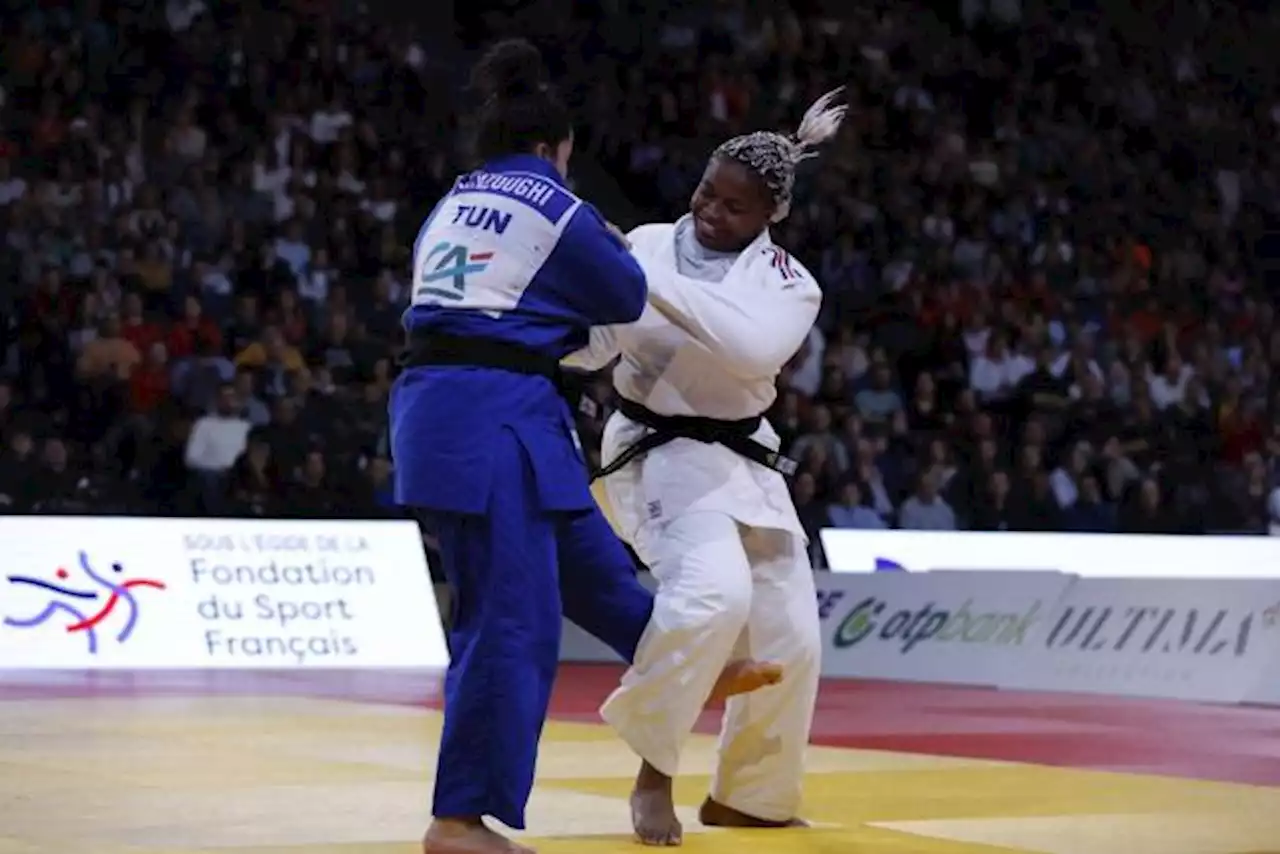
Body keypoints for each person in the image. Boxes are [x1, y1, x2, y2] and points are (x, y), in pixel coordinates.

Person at [392, 40, 777, 854]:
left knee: (589, 564)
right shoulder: (553, 202)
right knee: (511, 623)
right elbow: (626, 292)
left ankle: (685, 661)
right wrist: (604, 232)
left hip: (478, 409)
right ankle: (458, 819)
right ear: (551, 148)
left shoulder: (454, 198)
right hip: (489, 412)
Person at [580, 89, 847, 845]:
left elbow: (749, 351)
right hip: (654, 449)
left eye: (734, 206)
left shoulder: (790, 285)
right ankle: (653, 775)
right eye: (705, 192)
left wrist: (636, 275)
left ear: (772, 216)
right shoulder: (647, 243)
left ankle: (750, 797)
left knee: (791, 635)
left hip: (742, 459)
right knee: (712, 597)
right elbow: (598, 344)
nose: (710, 212)